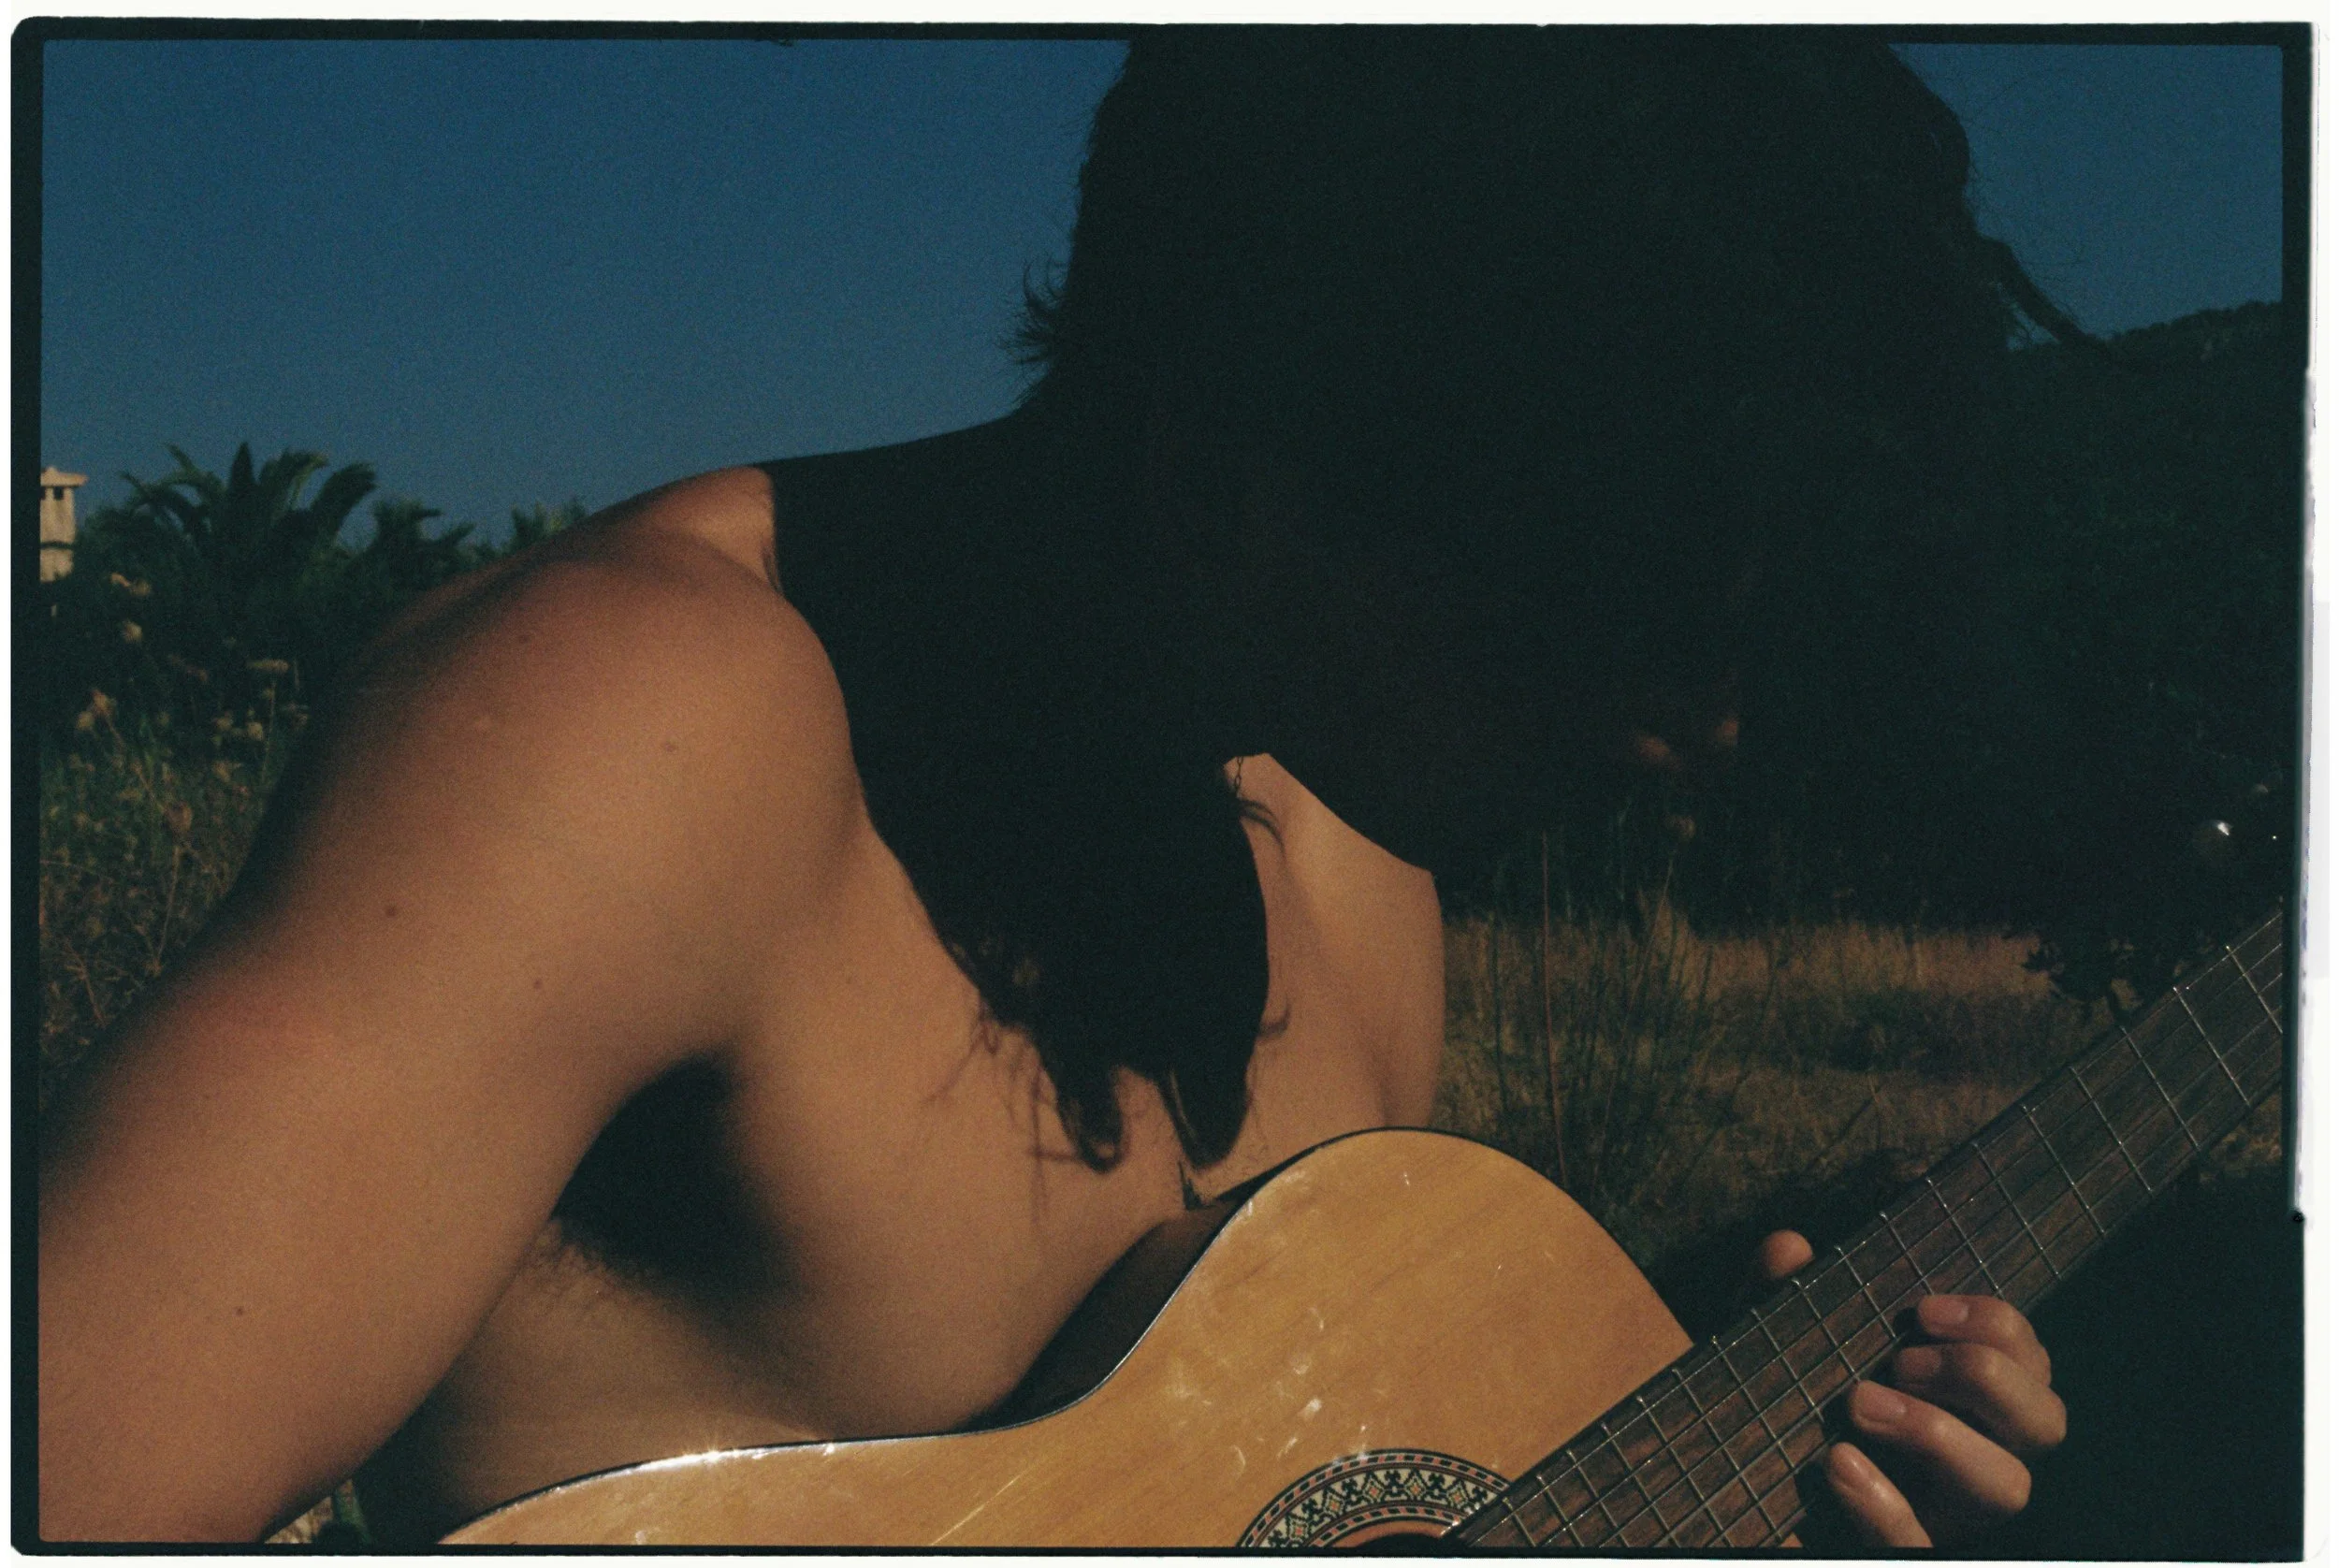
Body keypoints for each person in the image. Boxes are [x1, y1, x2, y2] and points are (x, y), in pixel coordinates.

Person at [38, 30, 2069, 1546]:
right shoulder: (638, 736)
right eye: (1594, 626)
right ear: (1214, 475)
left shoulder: (1353, 873)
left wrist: (1676, 1429)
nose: (1687, 738)